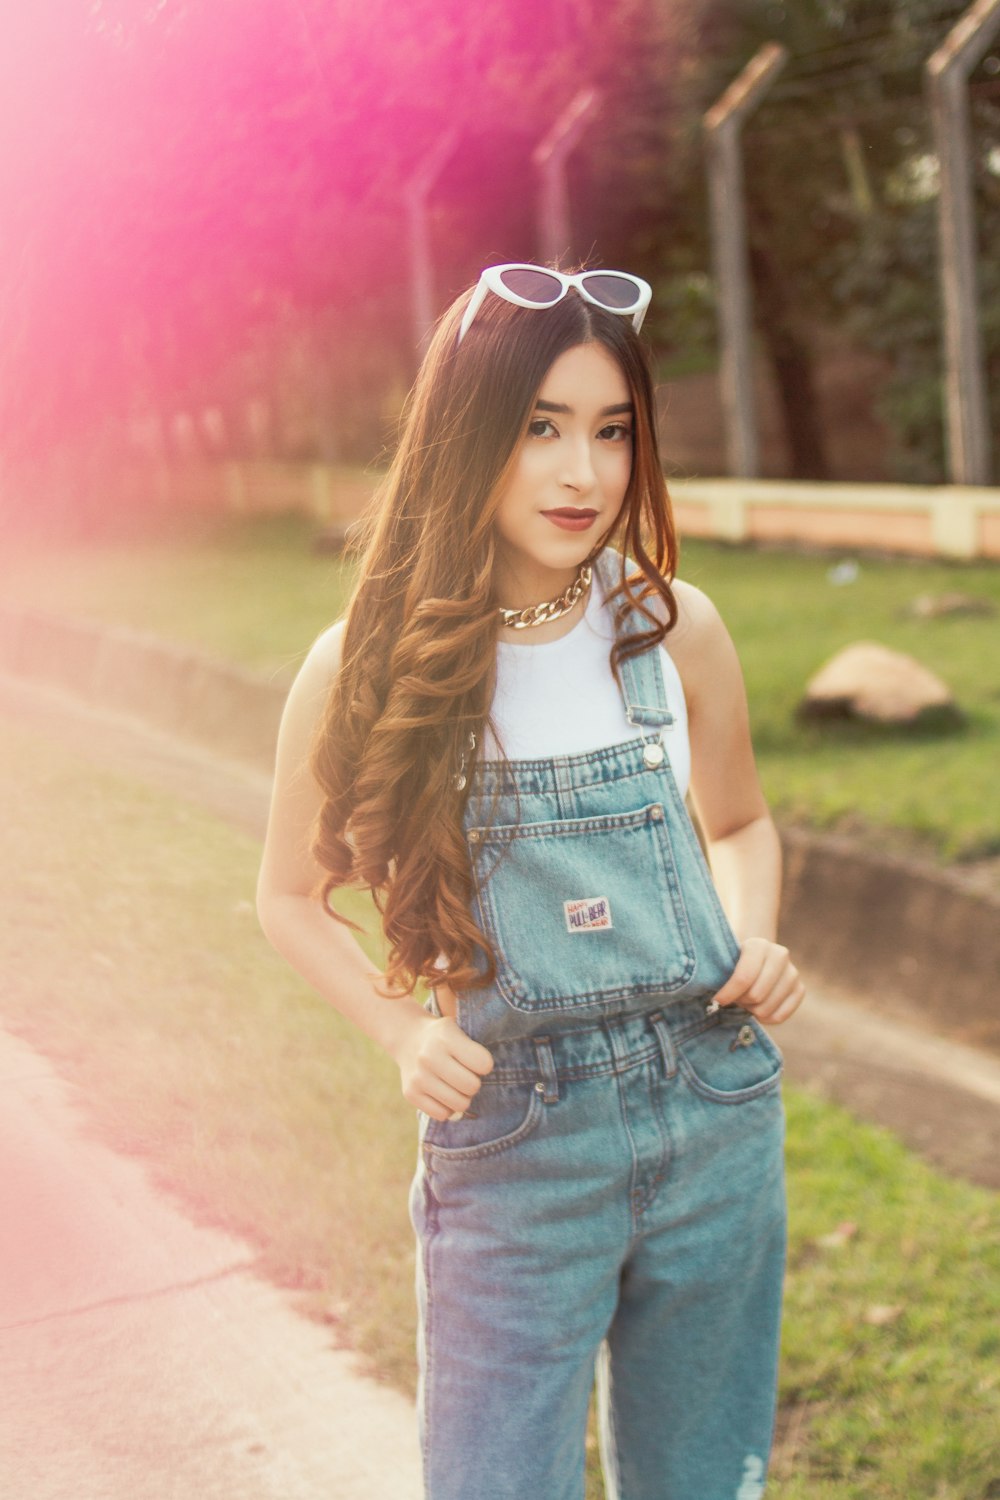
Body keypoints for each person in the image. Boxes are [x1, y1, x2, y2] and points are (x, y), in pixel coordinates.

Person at [256, 263, 806, 1500]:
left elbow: (744, 823)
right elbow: (288, 895)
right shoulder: (362, 664)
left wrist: (751, 937)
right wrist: (400, 1033)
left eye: (612, 432)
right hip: (514, 1150)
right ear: (469, 434)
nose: (585, 474)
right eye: (542, 428)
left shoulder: (674, 628)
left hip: (713, 1117)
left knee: (701, 1483)